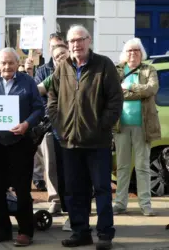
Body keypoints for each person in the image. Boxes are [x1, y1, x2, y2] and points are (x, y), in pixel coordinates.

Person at [48, 25, 123, 250]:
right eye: (72, 41)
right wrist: (59, 124)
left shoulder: (104, 65)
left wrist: (102, 126)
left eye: (80, 39)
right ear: (67, 44)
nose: (76, 44)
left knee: (101, 189)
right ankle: (80, 232)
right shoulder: (62, 67)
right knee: (74, 190)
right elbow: (52, 98)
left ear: (89, 40)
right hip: (69, 141)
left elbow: (115, 100)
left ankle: (104, 234)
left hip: (97, 142)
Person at [0, 47, 43, 246]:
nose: (7, 66)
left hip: (20, 144)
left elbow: (39, 108)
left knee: (22, 189)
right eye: (3, 63)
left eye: (11, 63)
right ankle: (3, 229)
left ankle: (25, 231)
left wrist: (26, 124)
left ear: (17, 63)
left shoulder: (27, 82)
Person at [113, 38, 160, 216]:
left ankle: (145, 204)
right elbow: (114, 92)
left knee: (142, 166)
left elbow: (151, 89)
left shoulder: (149, 69)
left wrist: (130, 87)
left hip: (143, 125)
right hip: (121, 125)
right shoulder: (117, 70)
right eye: (130, 51)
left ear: (142, 53)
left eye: (136, 50)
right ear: (125, 53)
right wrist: (135, 93)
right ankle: (120, 203)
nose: (133, 53)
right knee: (122, 166)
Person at [33, 33, 67, 195]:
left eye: (61, 49)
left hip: (74, 124)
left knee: (71, 164)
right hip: (50, 123)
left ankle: (72, 200)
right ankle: (55, 199)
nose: (59, 53)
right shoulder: (43, 71)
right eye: (54, 48)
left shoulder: (79, 69)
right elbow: (37, 94)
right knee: (51, 164)